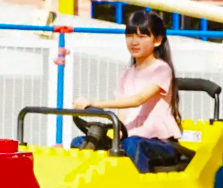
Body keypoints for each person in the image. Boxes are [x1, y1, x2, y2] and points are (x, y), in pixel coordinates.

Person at [72, 9, 185, 173]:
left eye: (142, 36)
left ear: (157, 41)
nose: (134, 42)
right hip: (130, 139)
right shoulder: (127, 73)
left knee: (132, 145)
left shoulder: (161, 69)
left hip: (160, 143)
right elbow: (122, 115)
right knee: (80, 142)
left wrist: (94, 103)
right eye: (130, 36)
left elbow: (138, 99)